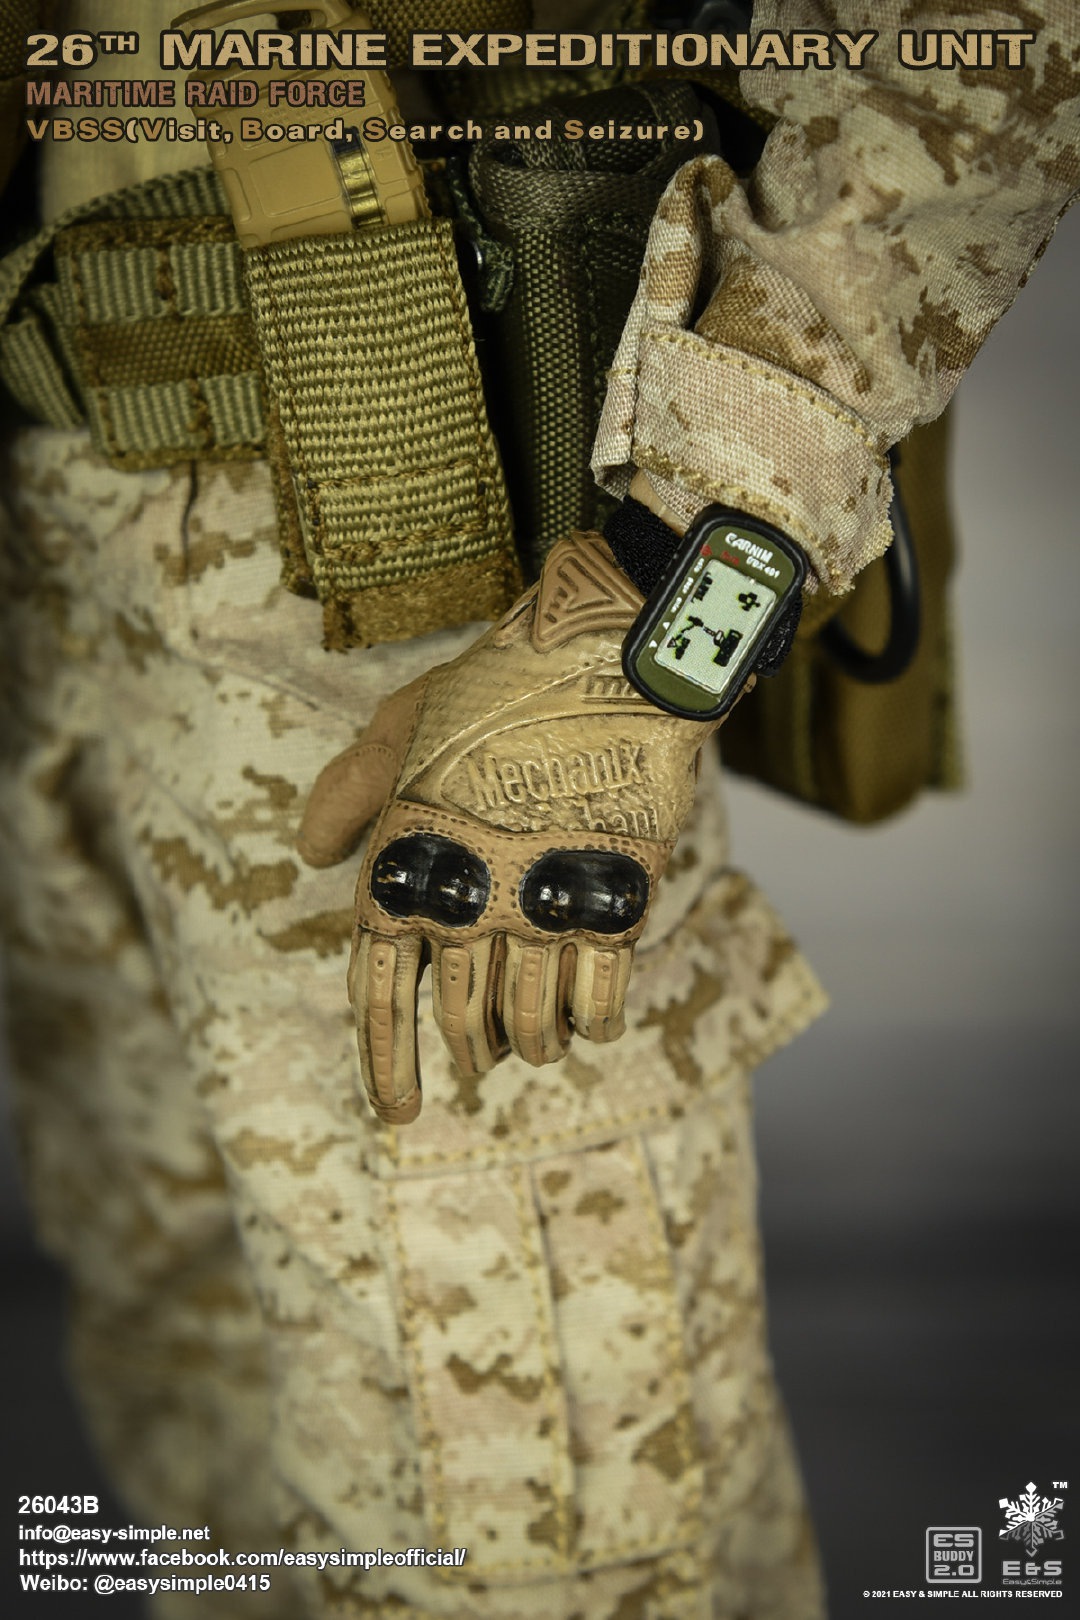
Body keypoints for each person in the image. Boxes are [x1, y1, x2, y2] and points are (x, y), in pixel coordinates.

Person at [1, 3, 1077, 1616]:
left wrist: (656, 593)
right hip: (68, 572)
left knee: (534, 1549)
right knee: (210, 1444)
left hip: (455, 627)